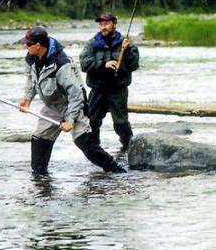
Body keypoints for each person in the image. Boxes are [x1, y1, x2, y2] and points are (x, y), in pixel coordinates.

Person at [17, 26, 126, 174]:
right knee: (40, 139)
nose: (26, 46)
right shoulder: (31, 59)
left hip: (73, 104)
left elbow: (76, 95)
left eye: (28, 44)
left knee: (84, 142)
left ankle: (115, 170)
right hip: (52, 106)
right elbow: (31, 79)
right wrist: (27, 99)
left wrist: (70, 120)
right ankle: (41, 179)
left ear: (38, 45)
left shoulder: (62, 64)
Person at [79, 12, 140, 153]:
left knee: (121, 123)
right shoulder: (92, 43)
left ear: (114, 24)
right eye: (101, 24)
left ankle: (128, 147)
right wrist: (103, 65)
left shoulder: (126, 43)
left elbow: (134, 65)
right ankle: (94, 149)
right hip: (98, 89)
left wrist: (128, 50)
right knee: (92, 121)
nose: (103, 27)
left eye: (106, 23)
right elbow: (84, 64)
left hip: (118, 89)